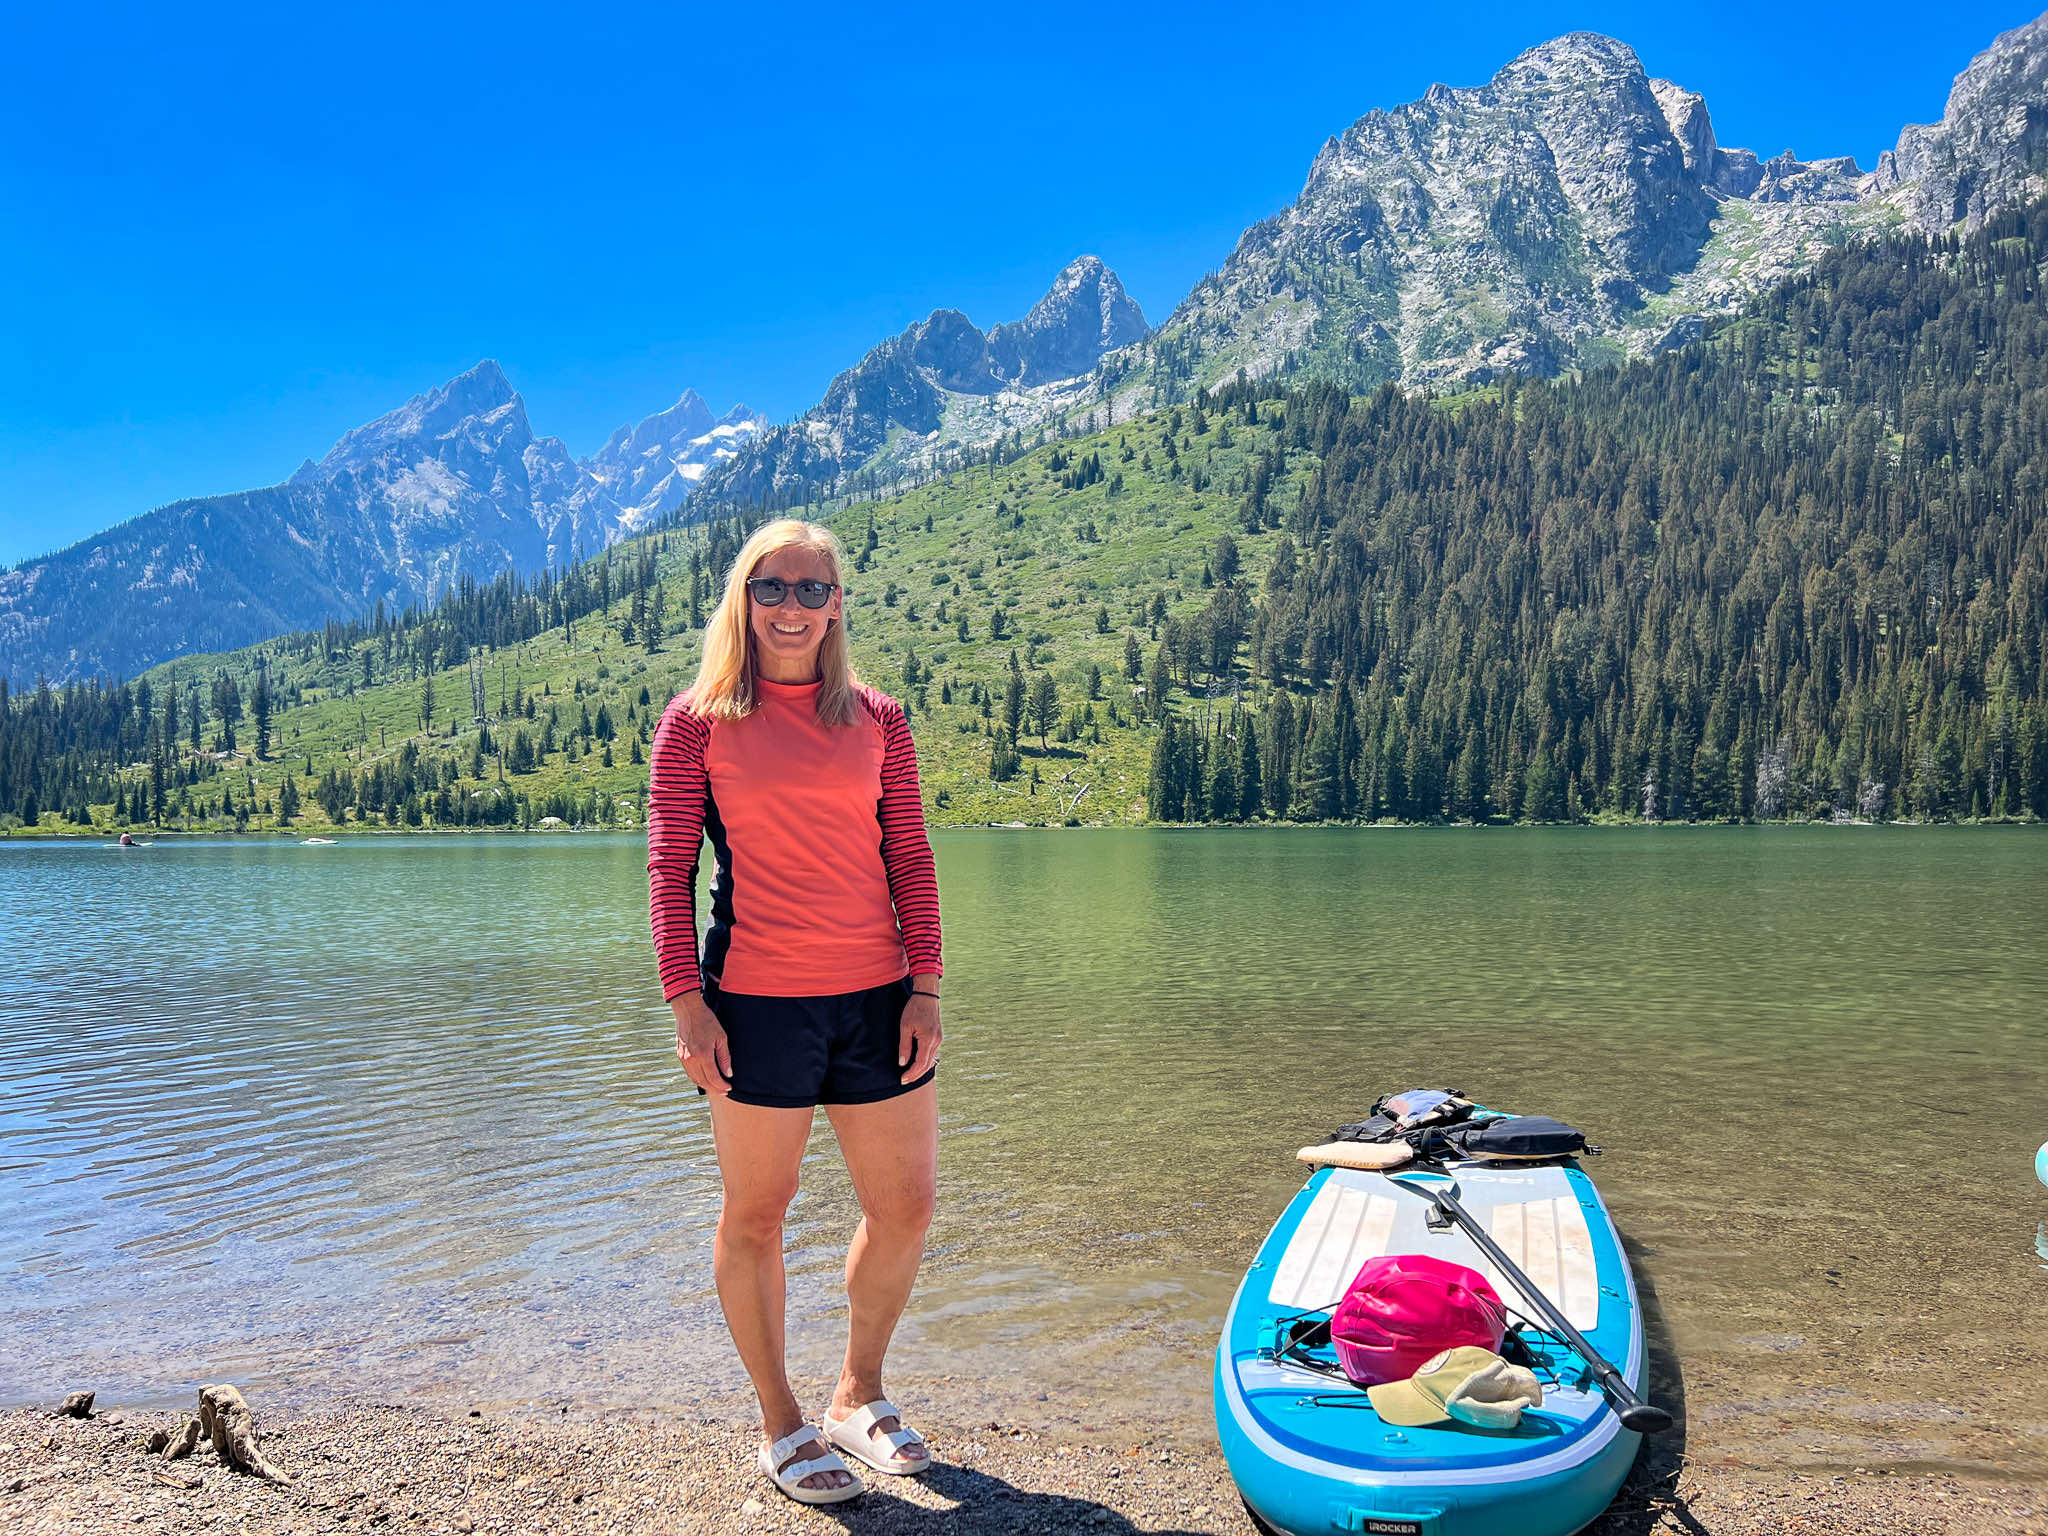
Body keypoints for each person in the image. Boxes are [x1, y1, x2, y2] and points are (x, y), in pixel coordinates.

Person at [647, 518, 944, 1506]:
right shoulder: (696, 721)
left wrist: (927, 985)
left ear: (836, 605)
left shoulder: (879, 718)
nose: (790, 608)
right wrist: (686, 1002)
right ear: (743, 599)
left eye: (810, 589)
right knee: (756, 1216)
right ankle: (778, 1421)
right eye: (769, 588)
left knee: (904, 1208)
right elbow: (669, 870)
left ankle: (855, 1393)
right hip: (755, 1006)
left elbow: (907, 853)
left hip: (878, 1002)